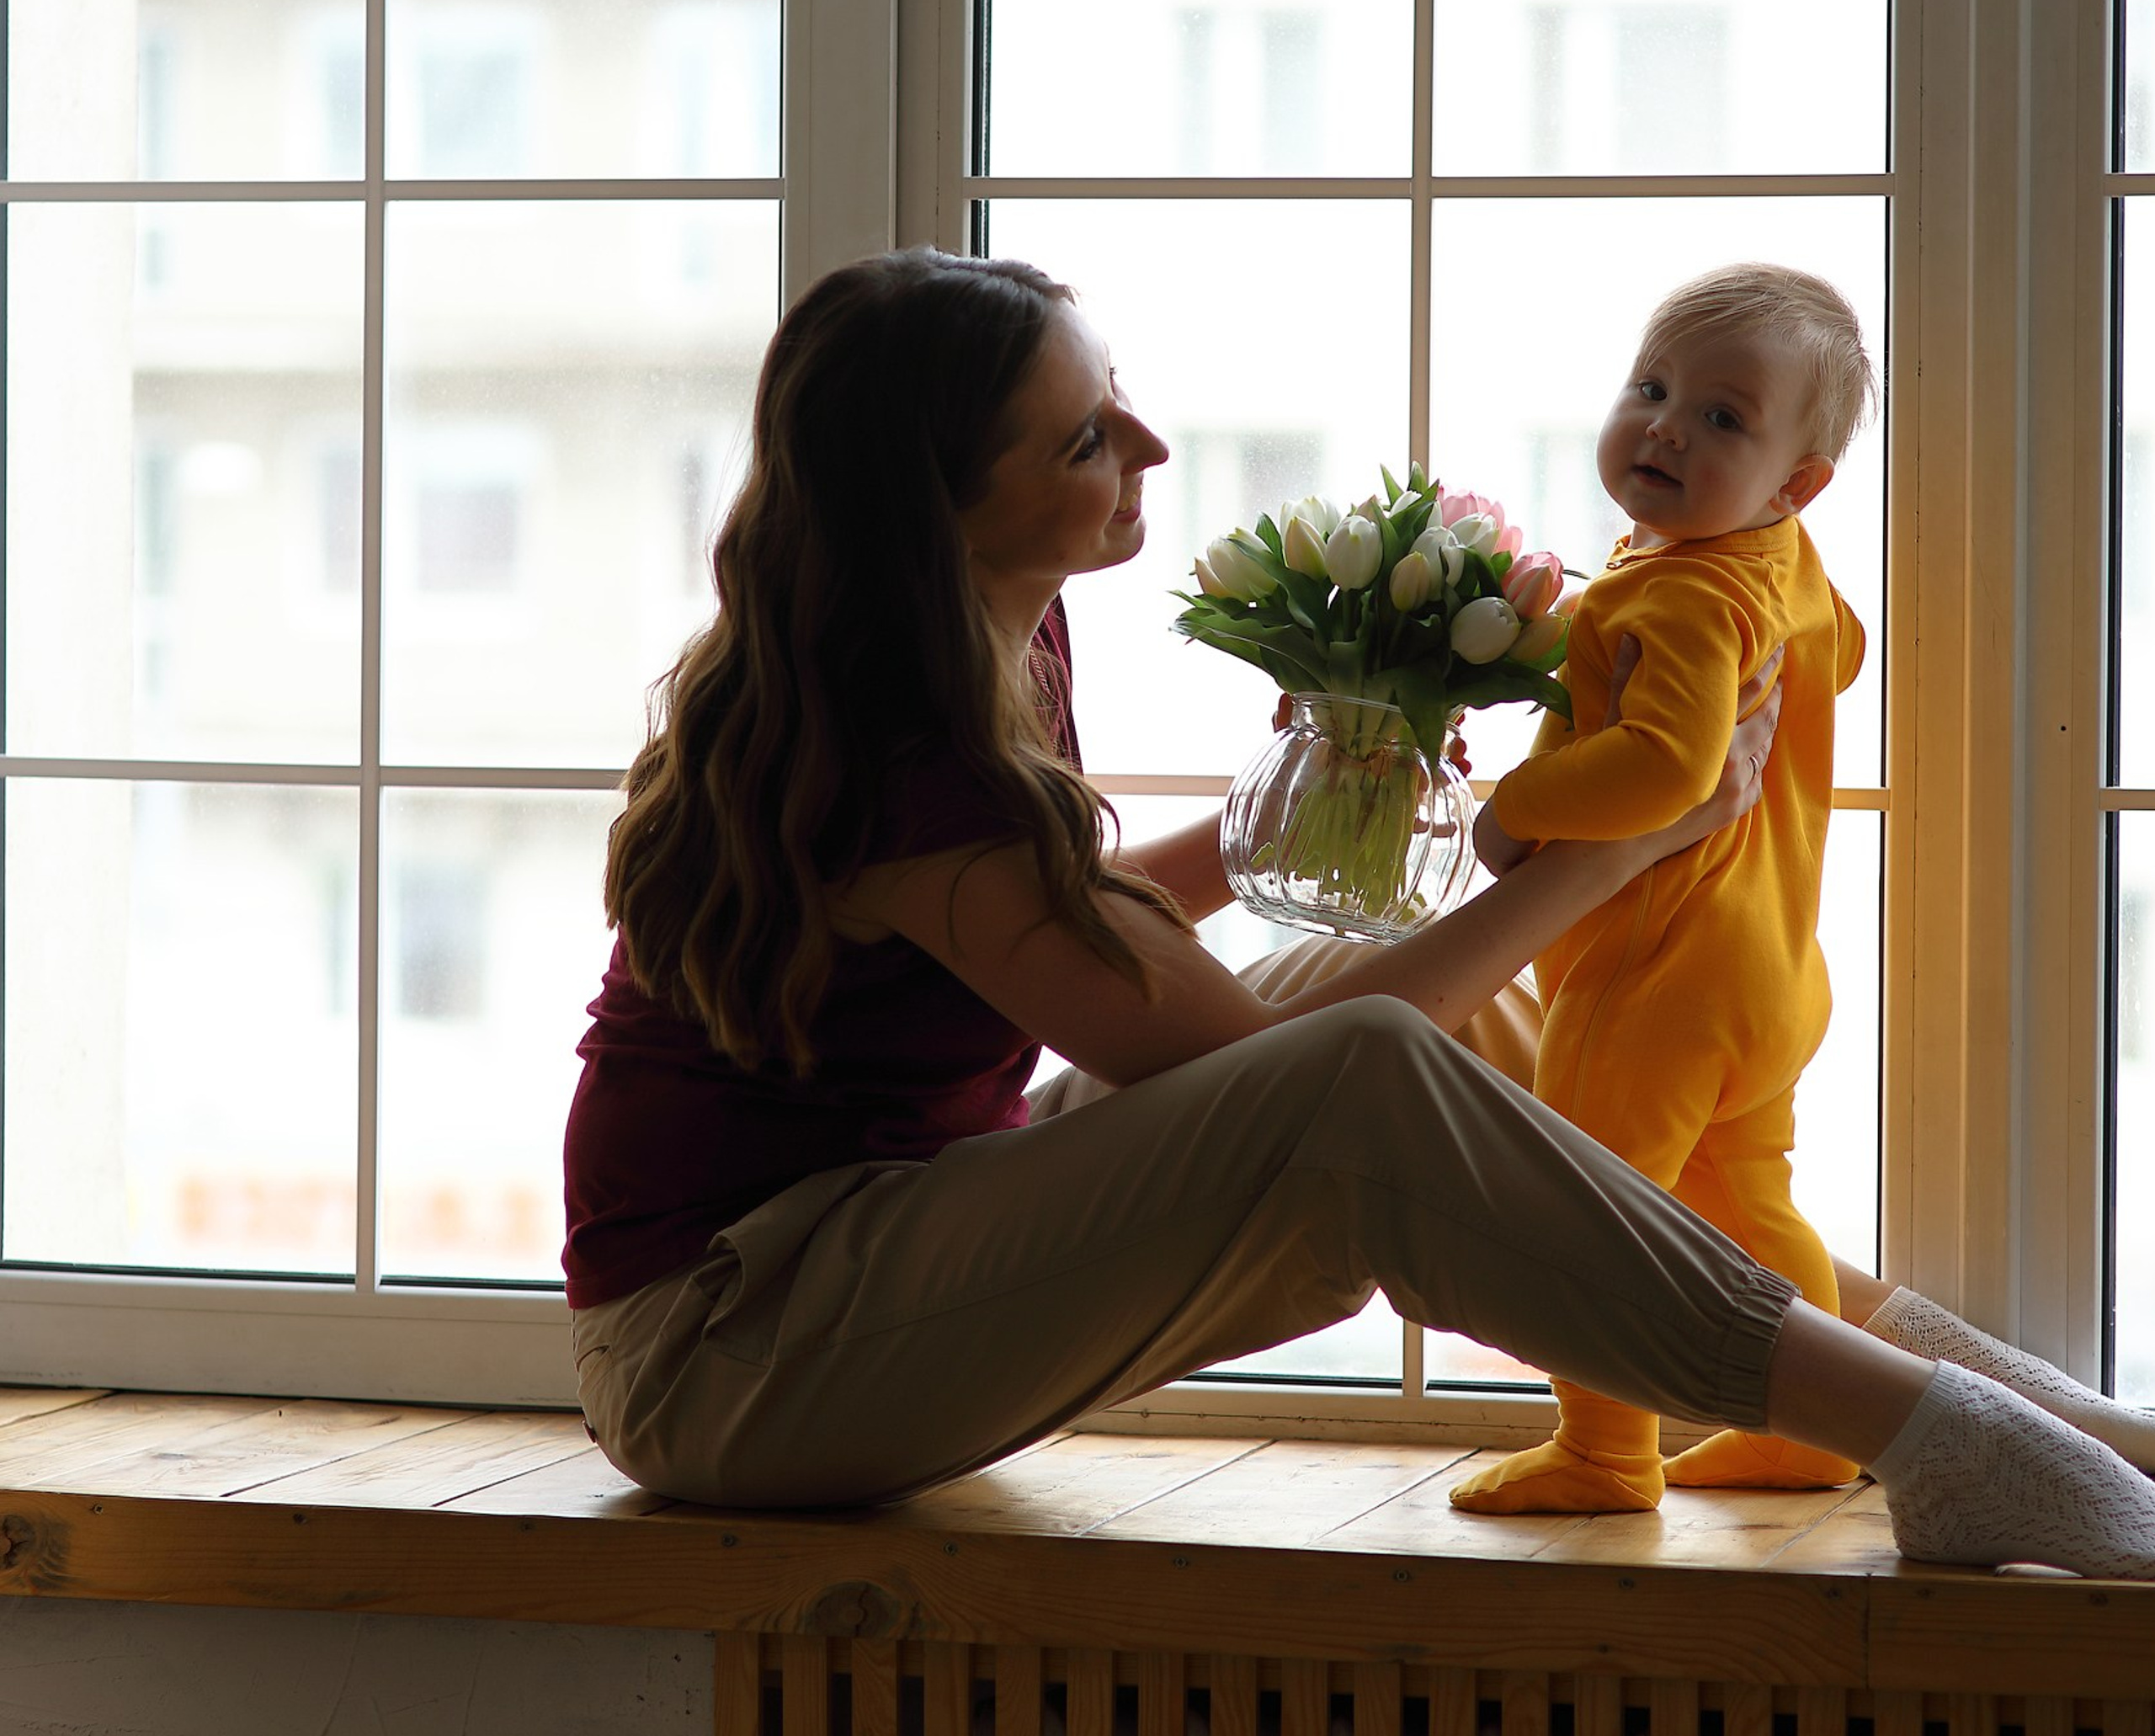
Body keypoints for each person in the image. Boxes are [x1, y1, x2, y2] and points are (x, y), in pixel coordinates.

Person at [563, 247, 2155, 1579]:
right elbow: (1237, 1062)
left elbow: (1053, 920)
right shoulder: (898, 745)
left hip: (876, 1231)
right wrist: (1619, 848)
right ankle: (1940, 1438)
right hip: (730, 1353)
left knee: (1469, 1009)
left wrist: (1327, 806)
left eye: (1112, 394)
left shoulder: (989, 643)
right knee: (1363, 1061)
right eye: (1080, 441)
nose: (1148, 447)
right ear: (943, 506)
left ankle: (1994, 1411)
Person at [1449, 264, 1874, 1515]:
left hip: (1661, 976)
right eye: (1651, 388)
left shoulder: (1685, 589)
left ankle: (1603, 1452)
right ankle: (1814, 1436)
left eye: (1723, 417)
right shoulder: (1775, 566)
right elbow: (1839, 652)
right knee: (1754, 1202)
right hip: (1771, 974)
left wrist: (1515, 807)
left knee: (1587, 1212)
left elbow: (1666, 768)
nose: (1667, 427)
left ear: (1797, 483)